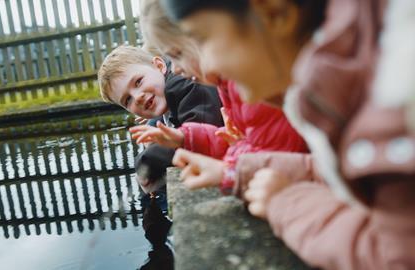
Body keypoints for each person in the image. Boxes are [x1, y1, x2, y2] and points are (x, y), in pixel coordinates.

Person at [163, 0, 415, 269]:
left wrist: (285, 203)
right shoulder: (359, 76)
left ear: (276, 13)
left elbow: (397, 257)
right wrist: (236, 174)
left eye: (203, 39)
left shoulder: (395, 98)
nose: (209, 68)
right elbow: (336, 171)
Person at [135, 0, 308, 194]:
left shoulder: (252, 82)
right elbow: (248, 143)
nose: (174, 68)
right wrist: (187, 137)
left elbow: (276, 155)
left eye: (178, 53)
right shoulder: (227, 85)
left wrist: (227, 173)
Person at [98, 45, 224, 194]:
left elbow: (199, 135)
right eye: (127, 100)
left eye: (138, 82)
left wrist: (148, 160)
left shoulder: (184, 83)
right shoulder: (166, 98)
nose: (137, 97)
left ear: (159, 66)